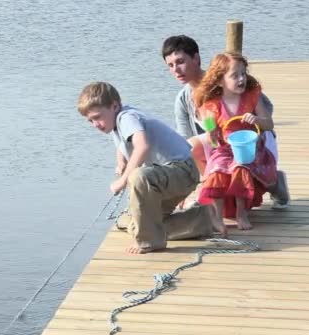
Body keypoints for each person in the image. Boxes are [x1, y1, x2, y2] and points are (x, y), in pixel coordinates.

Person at [77, 81, 220, 254]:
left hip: (182, 171)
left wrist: (122, 181)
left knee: (138, 176)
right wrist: (121, 162)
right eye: (90, 120)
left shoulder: (126, 118)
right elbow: (122, 144)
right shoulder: (116, 121)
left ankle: (148, 242)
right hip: (167, 177)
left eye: (98, 117)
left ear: (114, 106)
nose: (95, 124)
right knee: (137, 226)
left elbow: (142, 146)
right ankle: (202, 219)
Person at [161, 35, 289, 209]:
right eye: (170, 65)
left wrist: (246, 125)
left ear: (196, 58)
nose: (176, 69)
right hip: (217, 145)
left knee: (247, 166)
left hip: (250, 139)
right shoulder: (183, 99)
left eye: (180, 61)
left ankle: (275, 183)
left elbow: (267, 108)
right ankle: (211, 188)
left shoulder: (229, 77)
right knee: (188, 147)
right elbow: (186, 141)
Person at [193, 52, 277, 235]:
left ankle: (241, 212)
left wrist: (256, 119)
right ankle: (216, 217)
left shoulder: (251, 96)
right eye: (235, 75)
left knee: (241, 167)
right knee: (217, 170)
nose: (241, 79)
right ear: (220, 80)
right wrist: (211, 133)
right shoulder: (211, 105)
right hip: (224, 149)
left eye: (243, 73)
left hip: (251, 148)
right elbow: (211, 139)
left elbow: (269, 124)